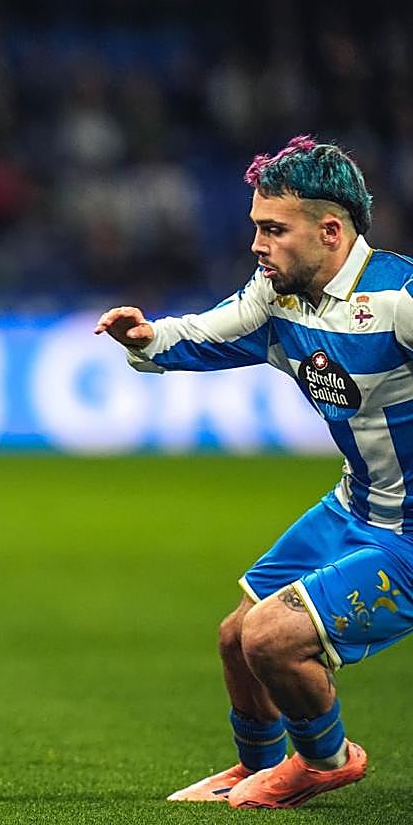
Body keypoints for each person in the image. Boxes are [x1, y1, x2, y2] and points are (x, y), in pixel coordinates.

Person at [95, 135, 413, 809]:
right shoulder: (279, 296)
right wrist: (146, 339)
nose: (257, 245)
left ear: (330, 232)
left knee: (274, 637)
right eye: (255, 228)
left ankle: (325, 760)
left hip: (409, 536)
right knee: (238, 638)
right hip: (355, 506)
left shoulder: (401, 298)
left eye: (274, 229)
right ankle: (254, 767)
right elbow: (209, 332)